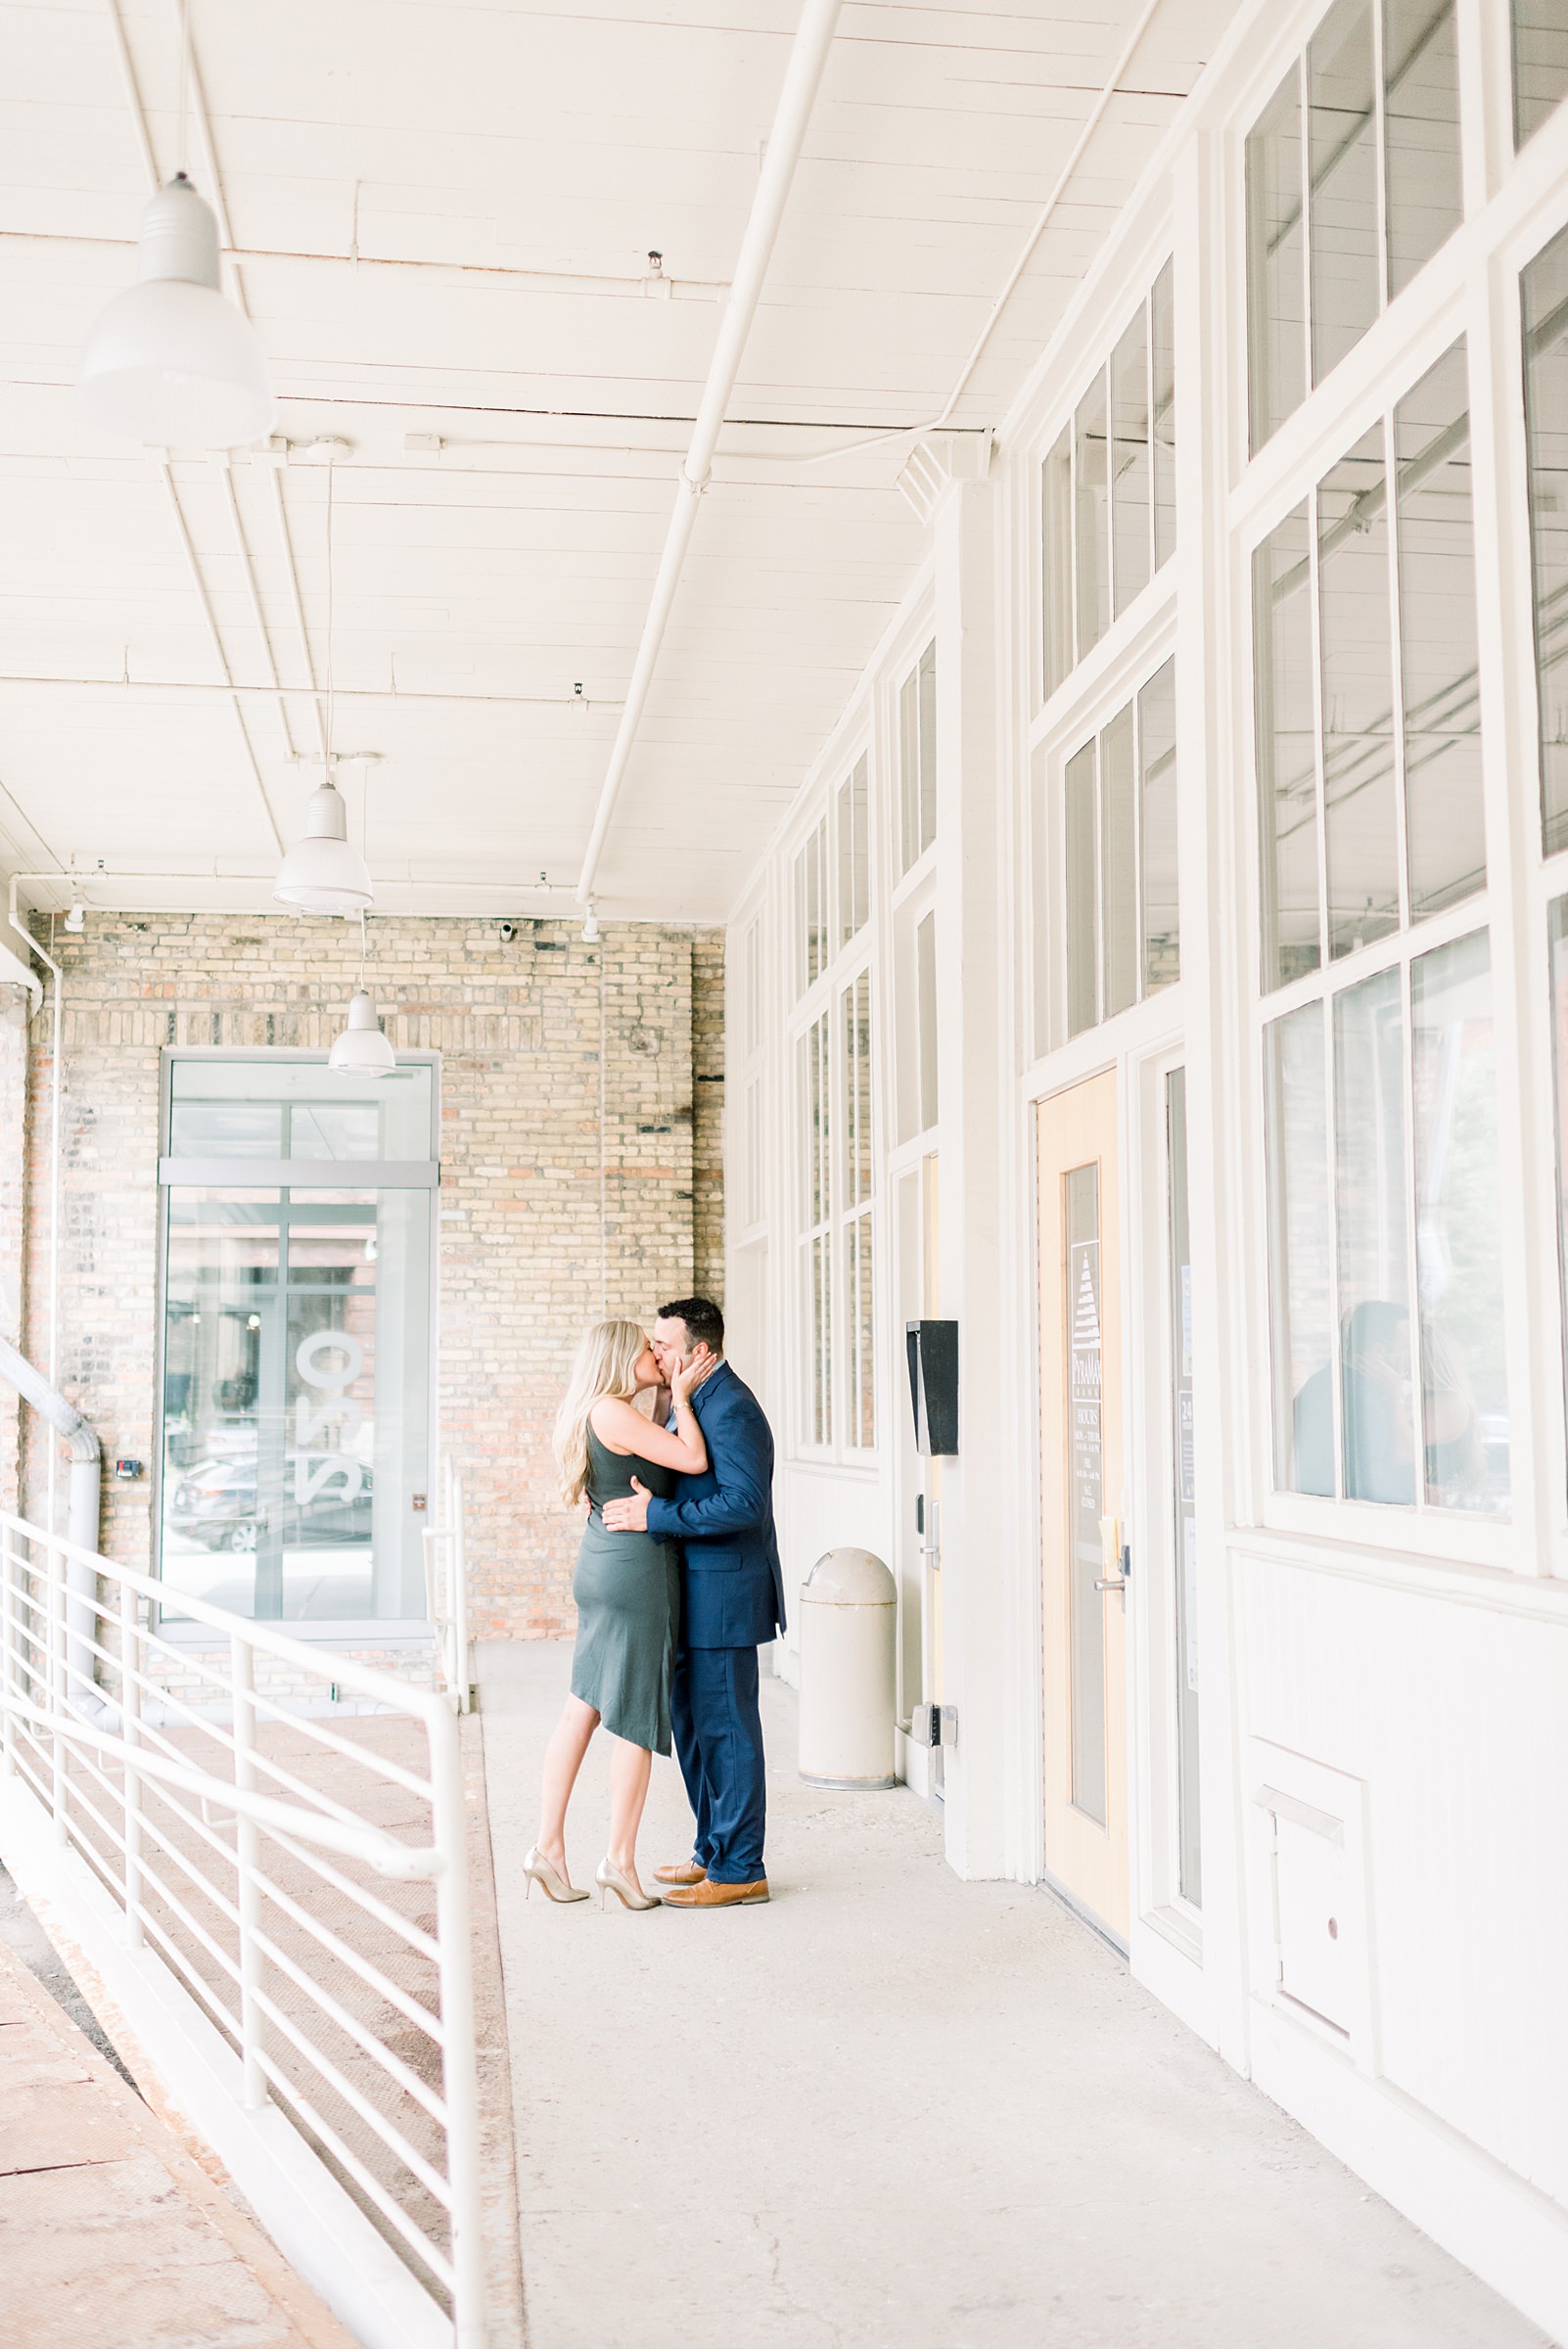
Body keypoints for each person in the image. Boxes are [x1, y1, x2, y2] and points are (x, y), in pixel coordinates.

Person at [602, 1295, 785, 1909]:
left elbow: (744, 1503)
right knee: (695, 1729)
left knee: (726, 1732)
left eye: (666, 1346)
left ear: (699, 1352)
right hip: (691, 1592)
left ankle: (740, 1870)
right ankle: (712, 1848)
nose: (655, 1354)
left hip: (726, 1593)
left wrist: (657, 1513)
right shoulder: (693, 1399)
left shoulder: (730, 1407)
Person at [526, 1317, 709, 1911]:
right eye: (646, 1348)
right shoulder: (615, 1411)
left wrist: (663, 1391)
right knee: (633, 1718)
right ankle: (620, 1863)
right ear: (620, 1357)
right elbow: (692, 1460)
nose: (655, 1354)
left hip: (601, 1562)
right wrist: (681, 1397)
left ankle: (548, 1850)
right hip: (637, 1570)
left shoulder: (595, 1410)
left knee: (583, 1706)